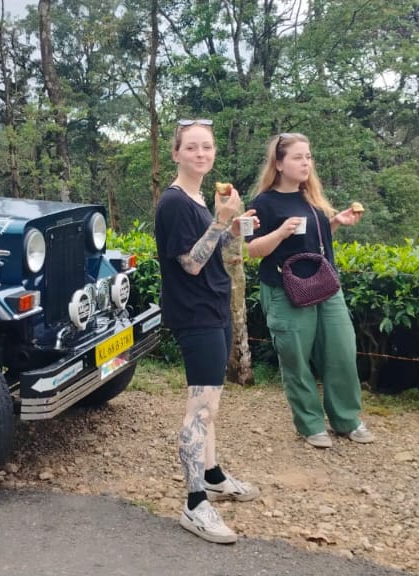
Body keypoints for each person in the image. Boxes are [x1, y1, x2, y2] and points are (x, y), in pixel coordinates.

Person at [153, 119, 260, 545]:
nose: (201, 154)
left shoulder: (198, 199)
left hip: (214, 307)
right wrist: (220, 222)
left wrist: (231, 227)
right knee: (200, 408)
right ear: (176, 154)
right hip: (194, 313)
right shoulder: (175, 203)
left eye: (207, 147)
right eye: (192, 147)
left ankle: (213, 476)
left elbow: (220, 254)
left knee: (210, 405)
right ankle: (195, 503)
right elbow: (191, 263)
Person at [245, 132, 374, 449]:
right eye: (298, 157)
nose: (306, 163)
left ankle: (347, 420)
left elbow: (313, 242)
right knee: (297, 361)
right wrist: (280, 231)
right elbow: (253, 250)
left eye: (308, 156)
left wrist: (336, 222)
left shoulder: (312, 198)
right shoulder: (263, 203)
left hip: (325, 286)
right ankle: (310, 424)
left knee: (341, 352)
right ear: (279, 164)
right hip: (284, 291)